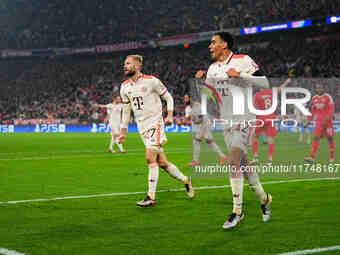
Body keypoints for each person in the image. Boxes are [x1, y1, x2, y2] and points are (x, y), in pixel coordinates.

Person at [196, 32, 272, 229]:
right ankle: (264, 199)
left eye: (213, 42)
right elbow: (209, 96)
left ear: (225, 44)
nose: (210, 46)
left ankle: (237, 211)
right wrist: (201, 82)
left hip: (245, 118)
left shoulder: (243, 60)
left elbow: (265, 82)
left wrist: (241, 75)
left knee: (233, 161)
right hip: (227, 121)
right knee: (244, 166)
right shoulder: (213, 68)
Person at [119, 55, 195, 207]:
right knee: (162, 163)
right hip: (142, 127)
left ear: (137, 65)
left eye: (128, 63)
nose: (125, 66)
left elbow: (169, 98)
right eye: (124, 64)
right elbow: (126, 111)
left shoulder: (151, 81)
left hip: (156, 122)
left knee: (149, 158)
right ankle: (186, 180)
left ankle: (150, 197)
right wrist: (123, 131)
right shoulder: (124, 87)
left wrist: (170, 114)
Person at [252, 78, 291, 164]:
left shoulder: (257, 95)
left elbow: (254, 107)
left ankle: (255, 158)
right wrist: (286, 81)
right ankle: (270, 159)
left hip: (261, 118)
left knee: (255, 137)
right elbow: (281, 88)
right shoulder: (272, 92)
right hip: (270, 118)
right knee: (270, 140)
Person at [304, 84, 335, 163]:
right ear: (316, 89)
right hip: (319, 122)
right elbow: (313, 112)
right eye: (318, 88)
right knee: (316, 138)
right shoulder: (314, 99)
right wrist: (309, 121)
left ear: (323, 88)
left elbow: (331, 108)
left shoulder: (328, 97)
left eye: (320, 88)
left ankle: (332, 157)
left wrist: (329, 116)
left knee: (330, 138)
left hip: (328, 122)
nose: (319, 89)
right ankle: (312, 157)